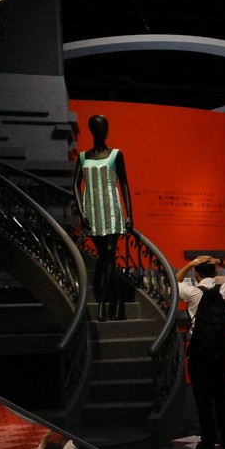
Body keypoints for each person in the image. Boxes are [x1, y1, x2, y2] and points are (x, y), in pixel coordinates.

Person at [176, 255, 225, 449]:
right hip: (223, 349)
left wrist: (190, 264)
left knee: (203, 395)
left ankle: (208, 441)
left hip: (200, 350)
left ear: (196, 275)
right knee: (223, 393)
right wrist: (220, 261)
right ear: (215, 273)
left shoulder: (192, 292)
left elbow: (174, 281)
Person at [73, 115, 134, 321]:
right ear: (92, 131)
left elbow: (123, 184)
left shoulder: (116, 154)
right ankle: (116, 299)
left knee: (108, 252)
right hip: (91, 213)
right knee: (105, 257)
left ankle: (102, 305)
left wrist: (130, 214)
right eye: (97, 128)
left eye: (103, 128)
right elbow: (75, 186)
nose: (101, 132)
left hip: (111, 210)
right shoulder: (83, 157)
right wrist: (82, 212)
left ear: (107, 130)